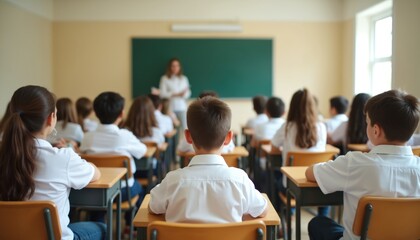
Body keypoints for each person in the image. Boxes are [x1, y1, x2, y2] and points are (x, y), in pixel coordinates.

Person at [305, 90, 420, 240]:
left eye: (367, 122)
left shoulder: (355, 163)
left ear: (376, 130)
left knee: (317, 223)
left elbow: (310, 173)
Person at [0, 85, 105, 240]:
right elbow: (96, 174)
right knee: (103, 228)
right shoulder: (63, 158)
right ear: (51, 118)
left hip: (10, 236)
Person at [148, 96, 268, 222]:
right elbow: (263, 210)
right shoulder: (240, 181)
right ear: (229, 138)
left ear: (188, 137)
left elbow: (152, 207)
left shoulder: (173, 181)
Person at [80, 92, 147, 229]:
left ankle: (98, 227)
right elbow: (143, 151)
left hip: (95, 192)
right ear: (121, 114)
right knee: (140, 188)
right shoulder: (124, 136)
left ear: (96, 113)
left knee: (99, 201)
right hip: (123, 192)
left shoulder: (87, 137)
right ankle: (131, 226)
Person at [271, 88, 328, 216]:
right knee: (326, 190)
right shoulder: (321, 127)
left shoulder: (287, 126)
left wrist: (286, 151)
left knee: (277, 178)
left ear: (292, 107)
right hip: (318, 183)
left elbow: (274, 148)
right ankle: (323, 218)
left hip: (292, 187)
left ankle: (288, 215)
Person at [159, 58, 191, 130]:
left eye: (177, 66)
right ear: (170, 67)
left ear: (179, 67)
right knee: (171, 129)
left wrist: (183, 94)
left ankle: (184, 141)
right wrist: (174, 94)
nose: (175, 68)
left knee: (185, 128)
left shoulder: (184, 78)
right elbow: (162, 94)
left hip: (182, 107)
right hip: (170, 108)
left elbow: (188, 93)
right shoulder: (164, 78)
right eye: (173, 66)